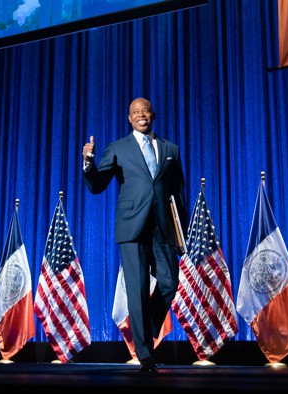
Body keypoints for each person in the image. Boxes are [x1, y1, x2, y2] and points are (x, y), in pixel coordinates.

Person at [82, 97, 188, 373]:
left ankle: (145, 326)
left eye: (145, 111)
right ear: (129, 119)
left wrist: (182, 235)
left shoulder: (170, 149)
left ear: (153, 114)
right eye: (135, 112)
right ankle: (145, 355)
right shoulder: (118, 148)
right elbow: (97, 185)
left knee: (170, 282)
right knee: (138, 289)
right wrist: (88, 163)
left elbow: (178, 193)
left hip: (163, 227)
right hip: (132, 227)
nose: (141, 115)